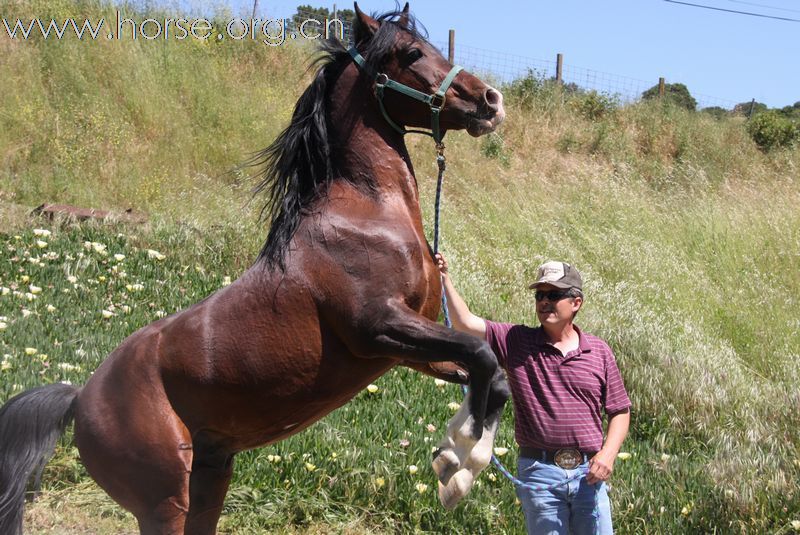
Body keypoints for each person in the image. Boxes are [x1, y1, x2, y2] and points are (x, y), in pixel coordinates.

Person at [435, 253, 631, 535]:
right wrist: (444, 278)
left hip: (589, 473)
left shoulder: (598, 351)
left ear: (576, 303)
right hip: (540, 471)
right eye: (540, 295)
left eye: (554, 294)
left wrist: (608, 455)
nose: (544, 302)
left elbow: (620, 410)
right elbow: (465, 322)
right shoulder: (516, 341)